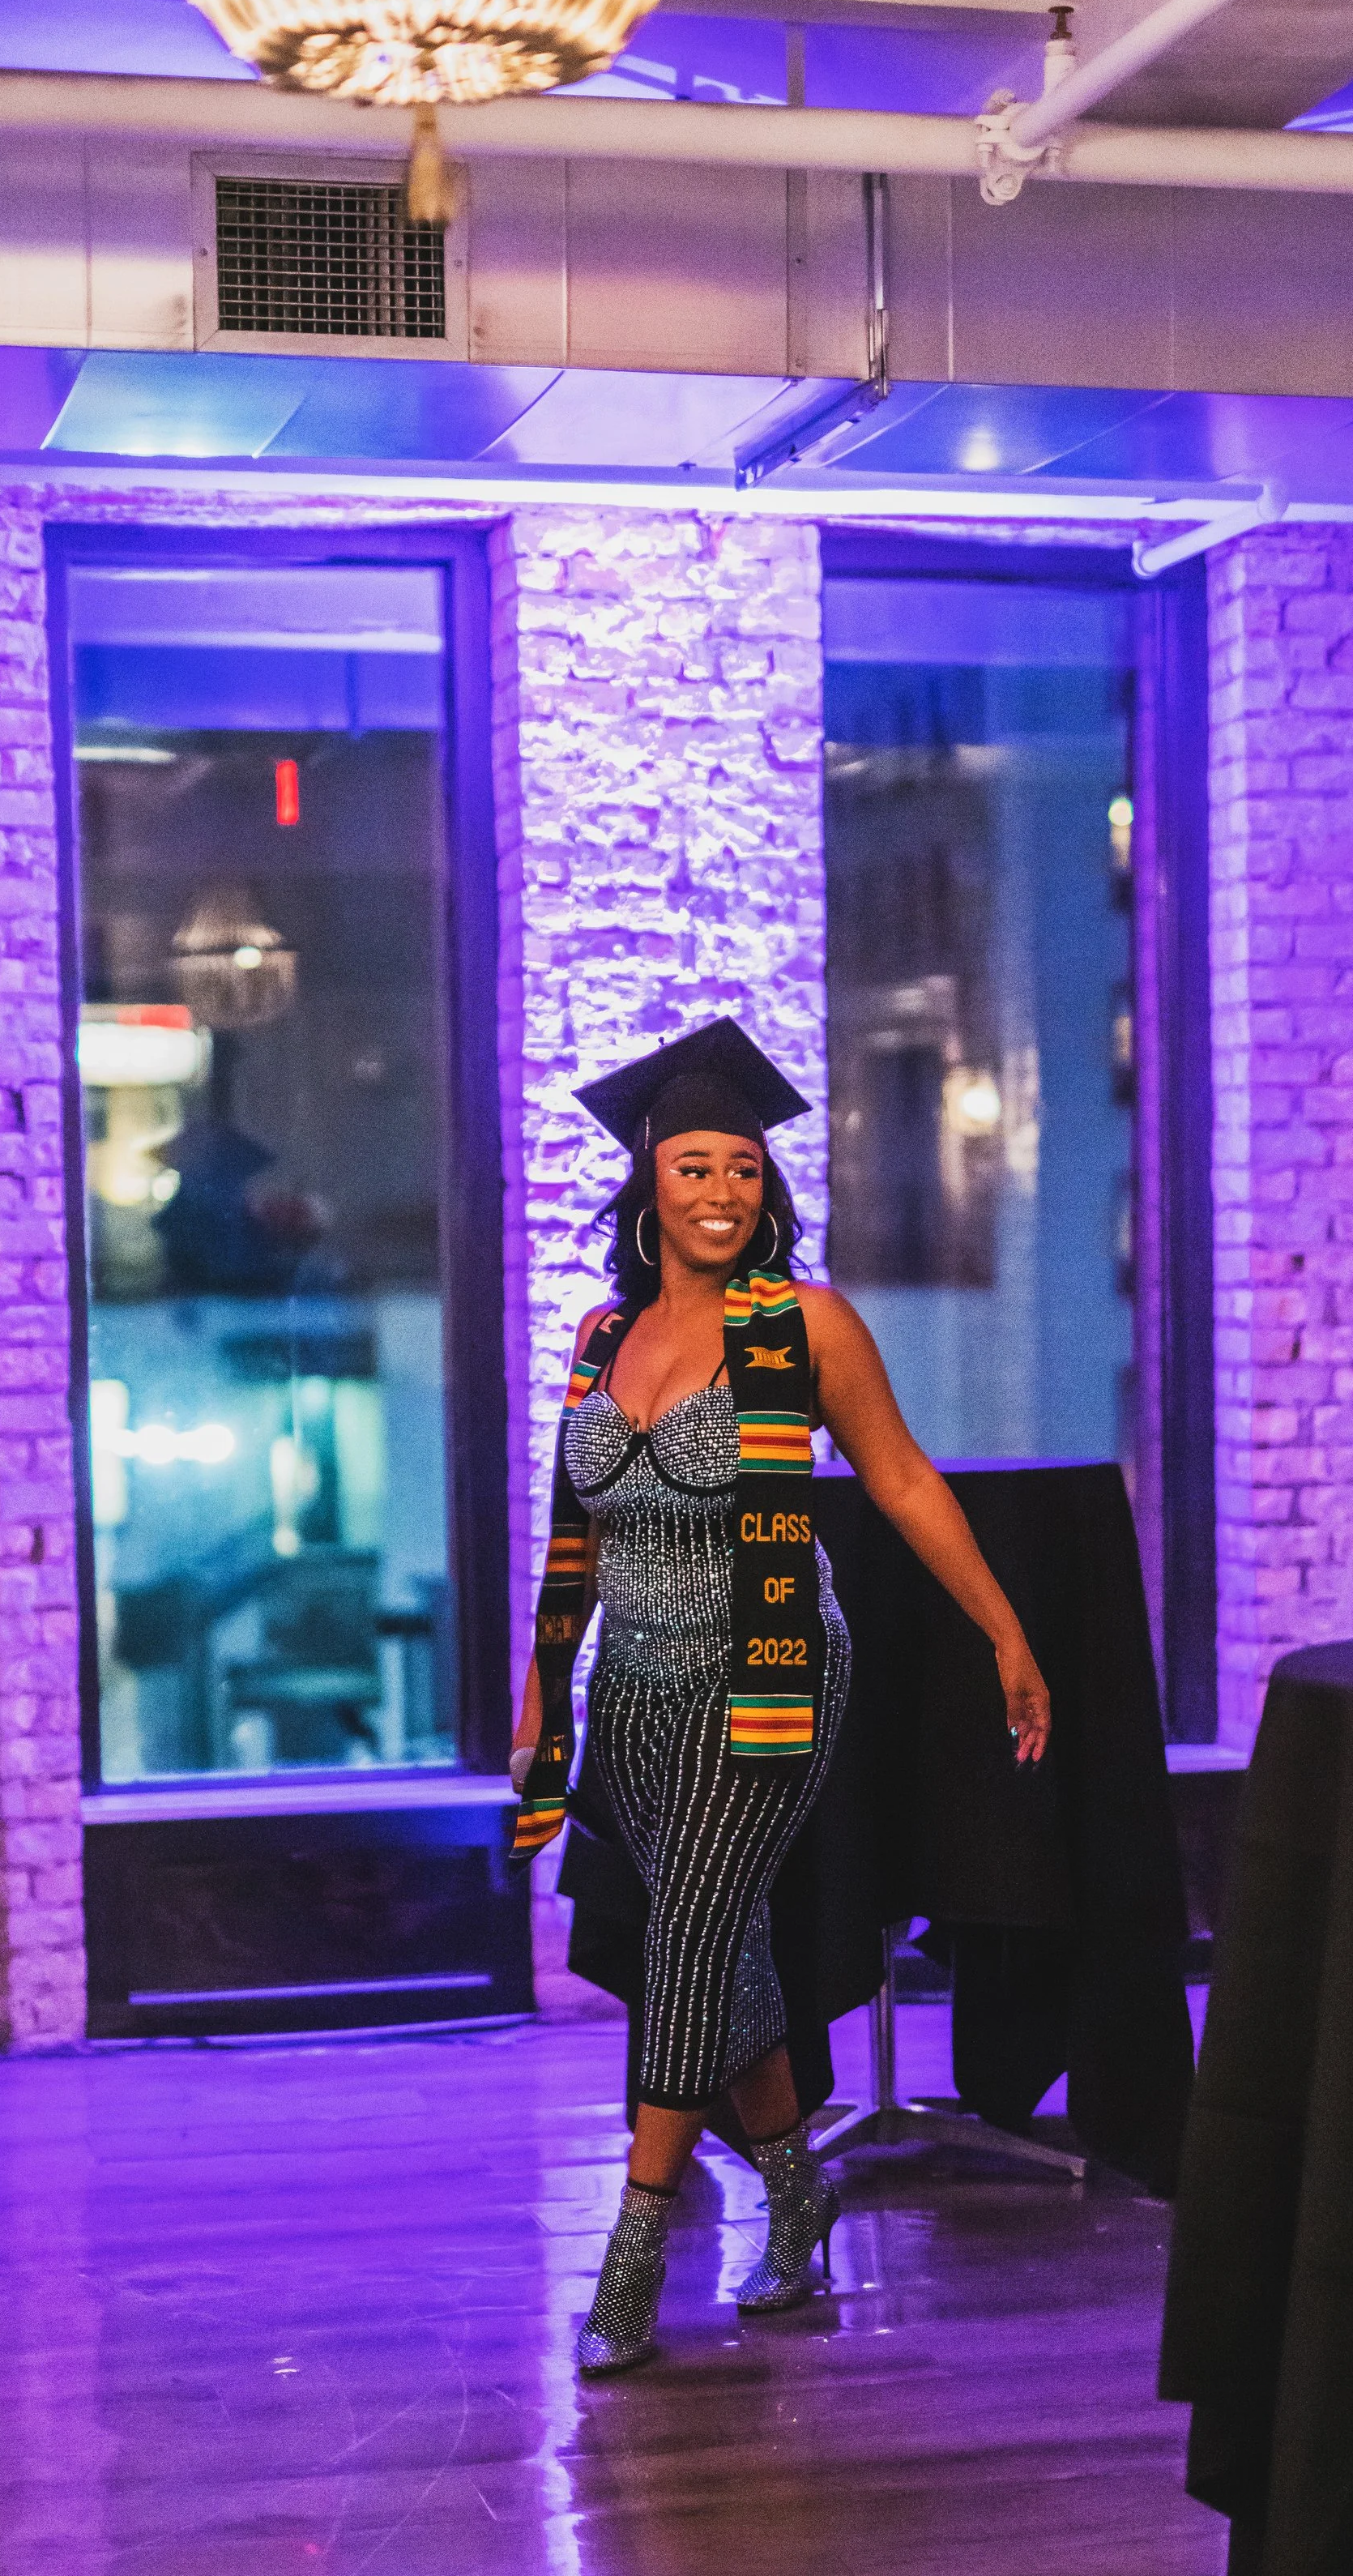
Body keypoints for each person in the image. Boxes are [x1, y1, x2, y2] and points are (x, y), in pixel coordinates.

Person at [507, 1018, 1052, 2374]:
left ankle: (631, 2264)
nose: (720, 1192)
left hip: (772, 1678)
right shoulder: (601, 1335)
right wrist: (543, 1690)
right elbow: (575, 1528)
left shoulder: (802, 1326)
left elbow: (906, 1481)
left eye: (743, 1170)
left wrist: (1007, 1635)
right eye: (693, 1167)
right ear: (650, 1182)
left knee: (689, 1934)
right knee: (720, 1945)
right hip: (632, 1690)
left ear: (769, 1191)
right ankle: (798, 2193)